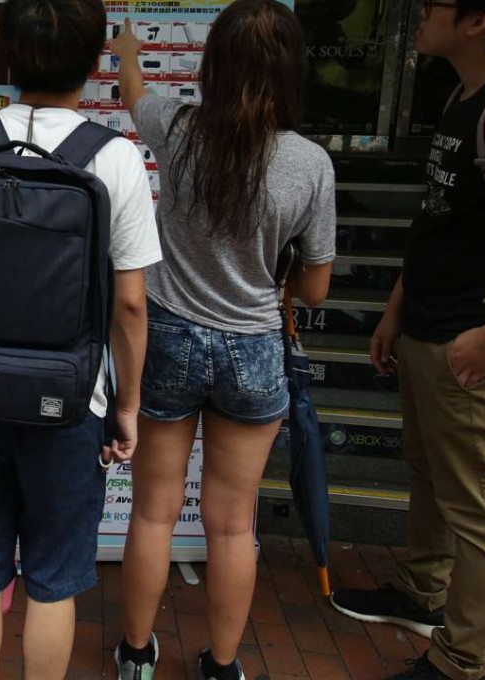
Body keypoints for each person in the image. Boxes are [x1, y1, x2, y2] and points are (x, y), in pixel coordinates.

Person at [0, 2, 161, 677]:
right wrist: (128, 405)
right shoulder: (114, 159)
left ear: (8, 56)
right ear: (96, 60)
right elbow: (131, 307)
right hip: (71, 400)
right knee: (53, 576)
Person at [110, 2, 336, 678]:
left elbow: (131, 94)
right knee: (232, 524)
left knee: (153, 512)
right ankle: (223, 665)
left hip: (169, 336)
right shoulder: (311, 165)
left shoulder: (178, 128)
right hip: (254, 349)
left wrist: (126, 45)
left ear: (214, 65)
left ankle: (135, 657)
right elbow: (318, 290)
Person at [329, 3, 485, 679]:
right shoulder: (463, 95)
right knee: (431, 474)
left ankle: (461, 658)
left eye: (434, 5)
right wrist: (394, 311)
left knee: (480, 509)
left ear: (479, 19)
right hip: (428, 325)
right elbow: (438, 221)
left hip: (470, 342)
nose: (419, 15)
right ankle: (422, 590)